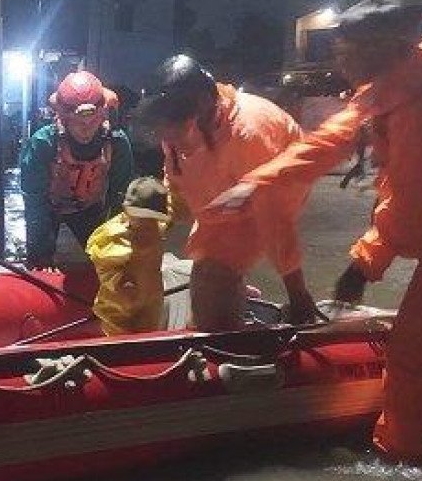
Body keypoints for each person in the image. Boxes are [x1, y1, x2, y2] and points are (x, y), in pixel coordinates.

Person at [205, 0, 422, 464]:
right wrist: (254, 183)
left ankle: (401, 455)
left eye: (347, 50)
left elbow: (415, 207)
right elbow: (325, 143)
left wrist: (363, 263)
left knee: (417, 349)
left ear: (382, 48)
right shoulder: (395, 88)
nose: (340, 60)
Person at [135, 55, 317, 331]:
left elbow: (274, 215)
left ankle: (230, 317)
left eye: (175, 129)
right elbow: (176, 174)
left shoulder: (247, 134)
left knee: (211, 274)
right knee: (208, 272)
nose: (168, 137)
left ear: (204, 110)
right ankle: (233, 294)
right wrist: (155, 220)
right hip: (225, 189)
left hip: (275, 187)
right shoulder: (177, 127)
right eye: (162, 130)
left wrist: (297, 291)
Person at [19, 70, 135, 267]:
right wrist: (42, 252)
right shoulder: (43, 143)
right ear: (63, 119)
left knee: (110, 261)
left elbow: (121, 194)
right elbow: (35, 199)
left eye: (93, 122)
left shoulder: (117, 142)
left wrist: (116, 239)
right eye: (78, 122)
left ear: (103, 115)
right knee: (40, 264)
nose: (86, 129)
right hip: (48, 207)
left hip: (89, 208)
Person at [86, 176, 170, 336]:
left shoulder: (157, 227)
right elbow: (123, 293)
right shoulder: (110, 242)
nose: (149, 223)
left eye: (153, 219)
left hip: (152, 312)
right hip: (123, 323)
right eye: (142, 218)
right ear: (128, 212)